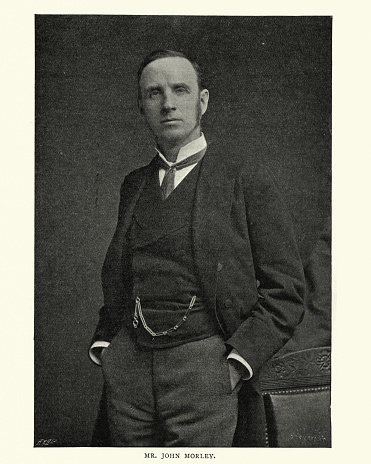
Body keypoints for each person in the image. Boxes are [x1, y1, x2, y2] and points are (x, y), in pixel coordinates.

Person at [89, 49, 305, 447]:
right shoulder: (134, 184)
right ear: (141, 105)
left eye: (180, 90)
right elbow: (120, 278)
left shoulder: (243, 178)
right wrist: (107, 347)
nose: (168, 103)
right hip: (129, 372)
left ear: (201, 101)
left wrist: (237, 364)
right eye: (154, 93)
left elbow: (287, 290)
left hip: (205, 369)